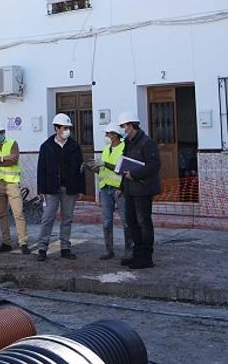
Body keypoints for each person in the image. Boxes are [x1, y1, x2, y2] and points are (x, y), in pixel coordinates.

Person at [35, 113, 84, 261]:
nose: (67, 130)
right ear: (56, 128)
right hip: (51, 188)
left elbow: (80, 169)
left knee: (67, 218)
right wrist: (41, 190)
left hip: (69, 188)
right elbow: (41, 169)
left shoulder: (75, 146)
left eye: (68, 128)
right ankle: (42, 248)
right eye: (64, 128)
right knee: (48, 218)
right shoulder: (46, 146)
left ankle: (65, 247)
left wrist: (81, 189)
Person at [116, 111, 161, 270]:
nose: (121, 129)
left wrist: (134, 174)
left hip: (143, 189)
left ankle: (146, 257)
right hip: (129, 190)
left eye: (123, 126)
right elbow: (125, 164)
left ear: (130, 125)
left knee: (143, 223)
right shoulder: (128, 142)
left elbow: (154, 165)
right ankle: (137, 254)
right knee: (132, 222)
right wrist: (121, 187)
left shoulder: (147, 143)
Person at [0, 118, 29, 254]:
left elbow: (13, 160)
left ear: (4, 132)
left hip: (12, 183)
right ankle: (6, 242)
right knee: (1, 214)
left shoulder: (12, 143)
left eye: (1, 132)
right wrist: (3, 158)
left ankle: (23, 242)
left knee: (18, 213)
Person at [86, 124, 132, 260]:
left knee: (126, 221)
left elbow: (122, 169)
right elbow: (103, 169)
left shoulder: (125, 148)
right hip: (105, 188)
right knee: (106, 222)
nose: (106, 136)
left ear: (115, 135)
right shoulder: (106, 149)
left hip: (119, 189)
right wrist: (92, 167)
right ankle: (109, 250)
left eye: (108, 134)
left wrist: (105, 165)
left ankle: (129, 250)